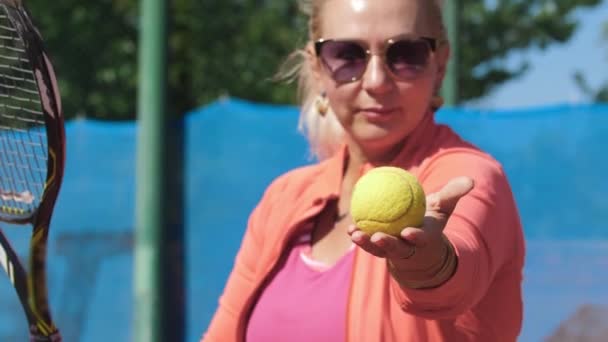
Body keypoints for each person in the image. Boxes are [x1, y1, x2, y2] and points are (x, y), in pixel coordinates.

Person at [202, 0, 525, 341]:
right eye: (347, 54)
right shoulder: (283, 199)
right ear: (317, 66)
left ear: (440, 65)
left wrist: (429, 264)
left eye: (405, 54)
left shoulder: (467, 176)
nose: (376, 81)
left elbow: (460, 260)